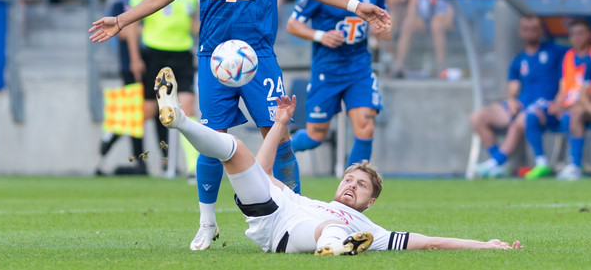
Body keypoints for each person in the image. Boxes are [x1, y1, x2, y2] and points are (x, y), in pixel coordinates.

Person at [89, 0, 390, 251]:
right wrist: (121, 19)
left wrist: (355, 5)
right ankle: (207, 222)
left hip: (259, 58)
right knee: (214, 141)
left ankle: (298, 213)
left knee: (278, 139)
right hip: (214, 59)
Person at [154, 66, 523, 254]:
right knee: (234, 148)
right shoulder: (309, 200)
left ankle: (332, 248)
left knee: (329, 227)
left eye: (360, 185)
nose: (351, 185)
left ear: (371, 201)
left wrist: (485, 246)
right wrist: (281, 122)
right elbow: (263, 172)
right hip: (273, 208)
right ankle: (181, 118)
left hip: (285, 235)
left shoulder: (372, 230)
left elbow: (430, 242)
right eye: (349, 179)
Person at [287, 0, 388, 167]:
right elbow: (292, 24)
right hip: (327, 71)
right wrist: (321, 35)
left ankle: (351, 190)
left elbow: (383, 27)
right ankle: (279, 149)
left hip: (359, 70)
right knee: (315, 136)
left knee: (365, 126)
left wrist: (383, 32)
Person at [125, 0, 200, 177]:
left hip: (182, 53)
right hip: (154, 54)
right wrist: (135, 57)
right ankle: (116, 136)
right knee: (148, 111)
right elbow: (132, 22)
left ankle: (192, 168)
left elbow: (194, 23)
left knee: (187, 107)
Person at [472, 15, 568, 178]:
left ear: (541, 31)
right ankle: (499, 163)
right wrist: (511, 100)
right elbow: (513, 87)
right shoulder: (519, 60)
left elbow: (575, 63)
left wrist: (560, 100)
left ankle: (500, 162)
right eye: (526, 29)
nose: (530, 33)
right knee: (478, 117)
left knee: (522, 119)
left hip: (545, 105)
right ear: (520, 32)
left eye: (534, 29)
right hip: (524, 103)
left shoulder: (555, 52)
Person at [96, 0, 150, 176]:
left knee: (146, 112)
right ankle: (137, 158)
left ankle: (116, 133)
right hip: (130, 65)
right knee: (137, 113)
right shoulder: (121, 4)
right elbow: (122, 32)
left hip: (152, 62)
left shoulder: (149, 0)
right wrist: (141, 29)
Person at [524, 19, 591, 180]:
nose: (577, 38)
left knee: (572, 115)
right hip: (571, 105)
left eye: (581, 33)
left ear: (589, 34)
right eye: (573, 34)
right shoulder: (568, 56)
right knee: (533, 115)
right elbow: (563, 88)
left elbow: (583, 94)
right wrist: (557, 103)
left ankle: (575, 164)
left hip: (584, 106)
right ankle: (542, 163)